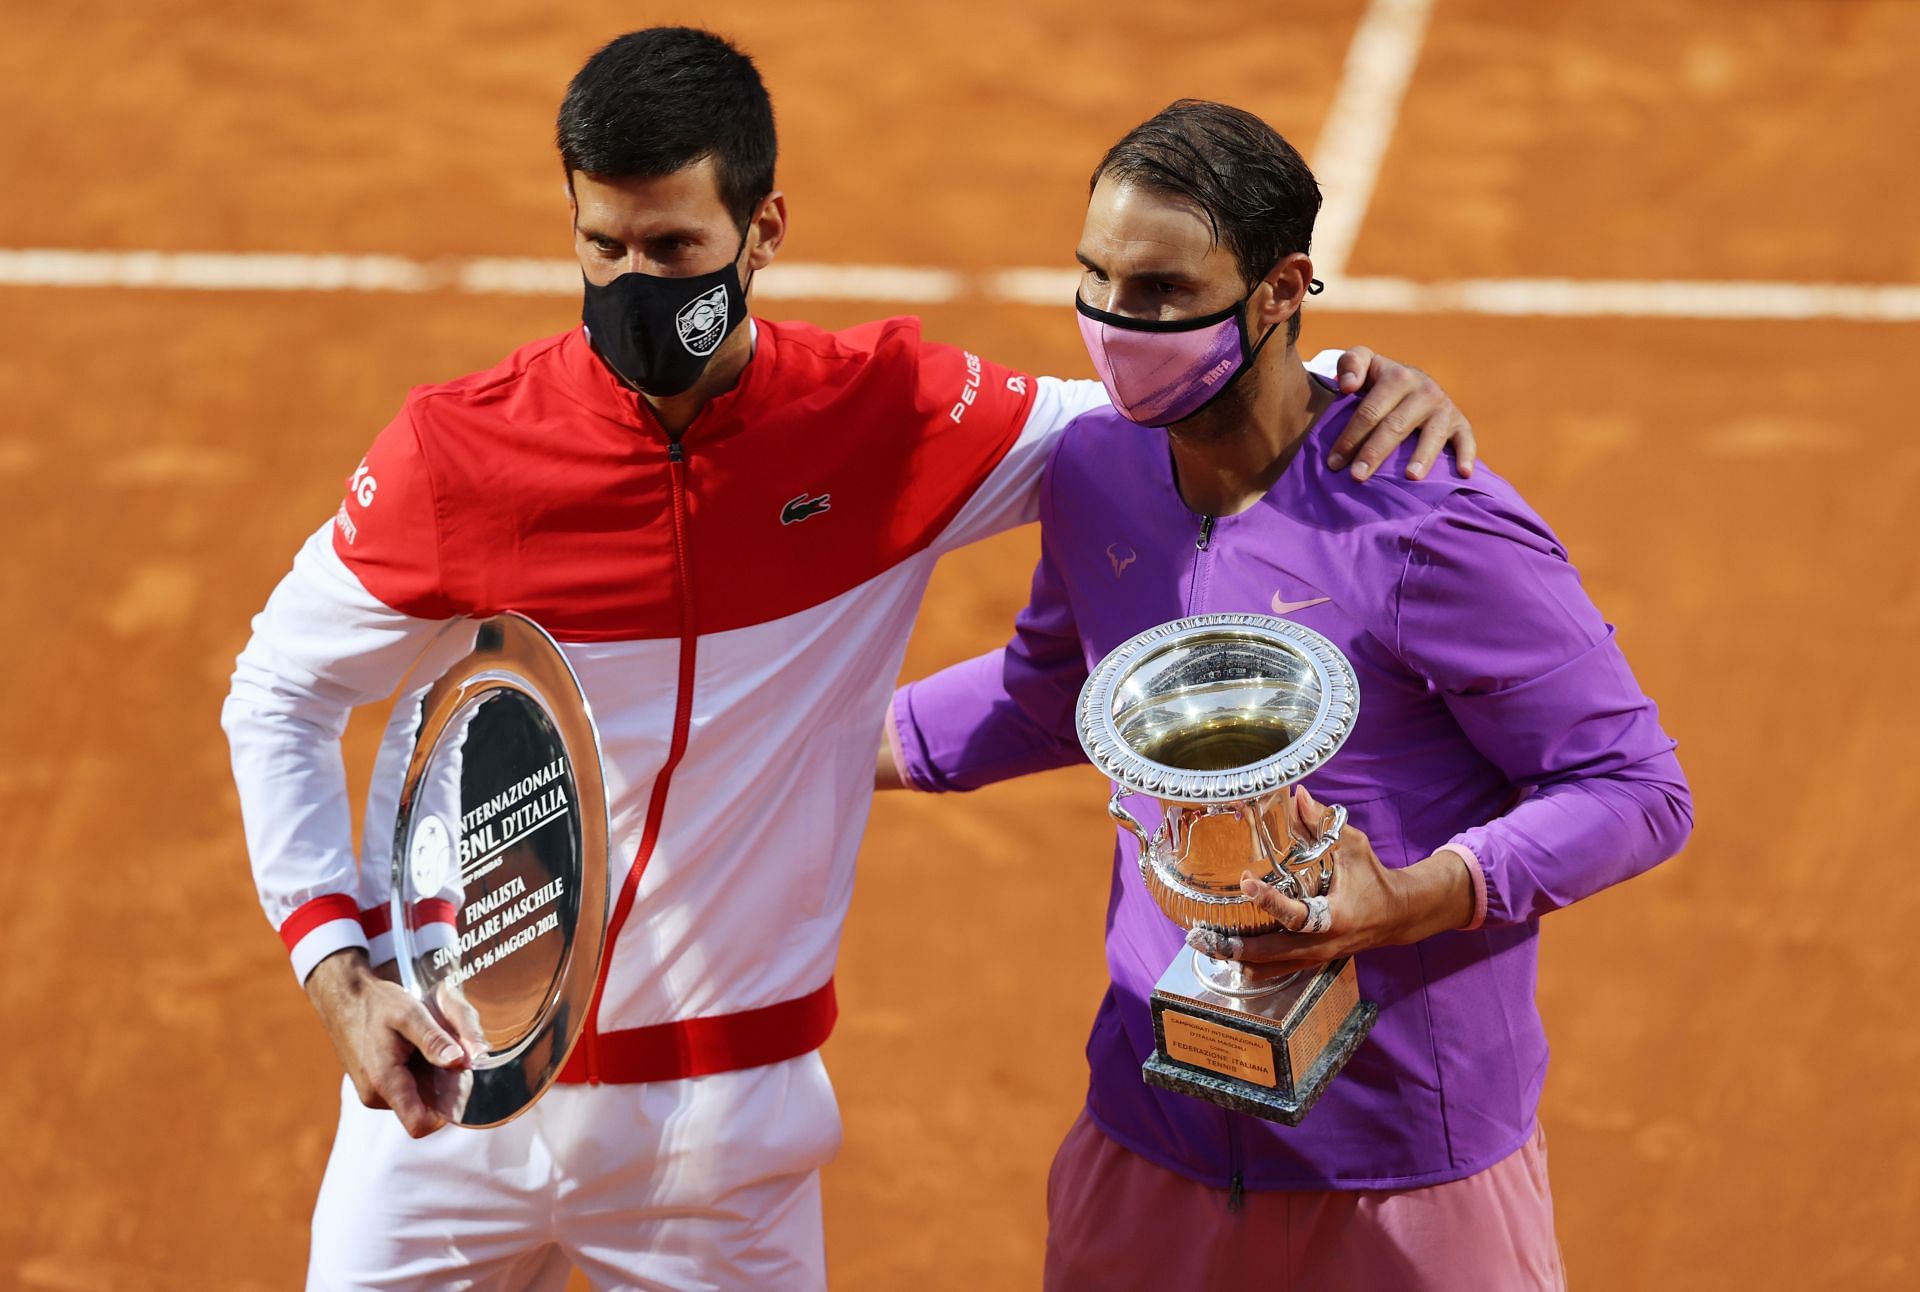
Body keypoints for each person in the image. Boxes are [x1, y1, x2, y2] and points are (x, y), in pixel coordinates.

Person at [222, 29, 1476, 1291]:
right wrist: (336, 970)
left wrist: (1332, 385)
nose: (632, 283)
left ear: (762, 230)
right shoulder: (461, 455)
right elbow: (280, 689)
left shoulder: (881, 419)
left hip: (718, 1140)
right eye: (602, 245)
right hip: (451, 1107)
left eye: (673, 250)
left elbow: (1145, 409)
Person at [882, 99, 1693, 1291]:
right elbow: (1064, 688)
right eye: (1094, 278)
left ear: (1280, 290)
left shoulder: (1429, 517)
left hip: (1404, 1173)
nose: (1115, 324)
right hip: (1151, 1131)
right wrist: (799, 747)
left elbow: (1637, 786)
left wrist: (1411, 898)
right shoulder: (1097, 470)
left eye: (1160, 292)